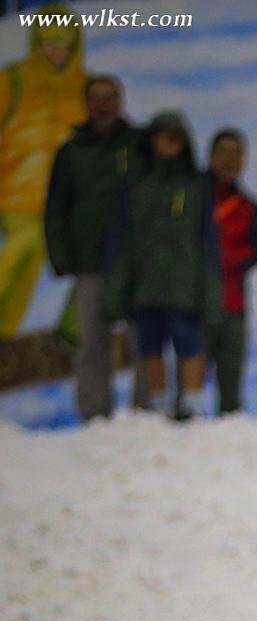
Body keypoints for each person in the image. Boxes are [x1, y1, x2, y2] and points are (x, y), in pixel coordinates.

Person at [43, 71, 149, 418]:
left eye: (110, 97)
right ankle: (94, 417)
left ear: (120, 102)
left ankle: (146, 416)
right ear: (87, 104)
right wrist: (61, 256)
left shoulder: (140, 146)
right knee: (91, 344)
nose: (103, 105)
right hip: (89, 262)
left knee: (145, 341)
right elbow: (56, 208)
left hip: (135, 263)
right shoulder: (71, 152)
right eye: (97, 98)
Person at [103, 110, 219, 422]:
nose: (168, 142)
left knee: (188, 339)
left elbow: (207, 239)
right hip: (146, 278)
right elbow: (122, 239)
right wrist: (117, 288)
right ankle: (159, 399)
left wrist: (210, 291)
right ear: (150, 140)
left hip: (184, 278)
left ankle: (191, 401)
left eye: (175, 136)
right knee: (149, 341)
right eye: (162, 135)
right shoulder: (136, 185)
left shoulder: (196, 185)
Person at [0, 3, 85, 339]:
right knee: (29, 244)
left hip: (69, 204)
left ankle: (74, 330)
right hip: (20, 199)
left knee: (102, 250)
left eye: (64, 43)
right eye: (49, 43)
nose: (56, 51)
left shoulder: (88, 88)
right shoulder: (13, 82)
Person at [206, 129, 257, 416]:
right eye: (224, 153)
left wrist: (226, 260)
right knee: (188, 383)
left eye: (236, 155)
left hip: (233, 303)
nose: (229, 161)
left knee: (230, 387)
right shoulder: (193, 200)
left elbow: (256, 250)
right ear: (211, 156)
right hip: (196, 305)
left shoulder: (249, 206)